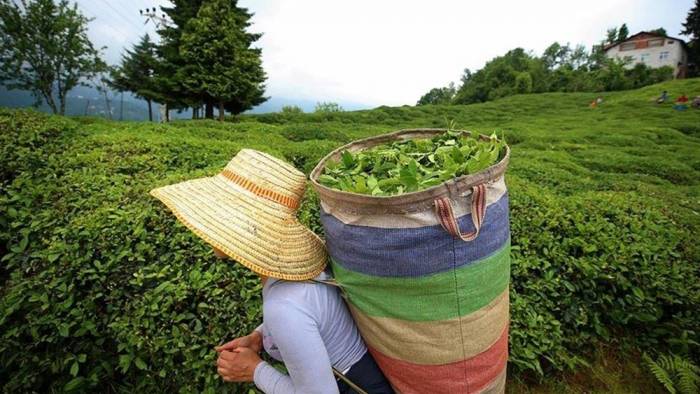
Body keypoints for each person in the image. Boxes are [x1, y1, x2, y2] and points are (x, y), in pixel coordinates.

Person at [150, 149, 394, 394]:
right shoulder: (298, 275)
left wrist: (254, 370)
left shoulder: (283, 307)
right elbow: (311, 316)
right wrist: (259, 337)